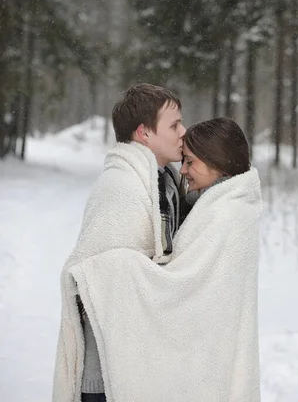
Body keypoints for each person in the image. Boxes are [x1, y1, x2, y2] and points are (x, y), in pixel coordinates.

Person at [62, 116, 262, 402]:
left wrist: (107, 268)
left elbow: (180, 286)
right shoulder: (220, 204)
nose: (183, 169)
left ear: (216, 163)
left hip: (209, 355)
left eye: (190, 162)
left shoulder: (226, 215)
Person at [52, 83, 186, 402]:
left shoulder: (164, 183)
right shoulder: (121, 188)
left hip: (142, 366)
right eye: (174, 124)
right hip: (109, 377)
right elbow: (101, 280)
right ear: (144, 133)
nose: (184, 132)